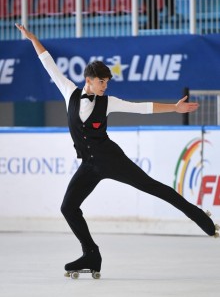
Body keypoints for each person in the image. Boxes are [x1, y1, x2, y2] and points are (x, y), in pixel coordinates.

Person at [15, 24, 219, 276]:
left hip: (112, 159)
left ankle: (201, 217)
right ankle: (91, 254)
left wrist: (174, 108)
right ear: (88, 80)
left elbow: (142, 107)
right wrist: (33, 38)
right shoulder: (70, 92)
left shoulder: (108, 102)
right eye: (102, 82)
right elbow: (48, 63)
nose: (105, 86)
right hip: (89, 165)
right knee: (68, 207)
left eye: (107, 82)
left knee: (152, 186)